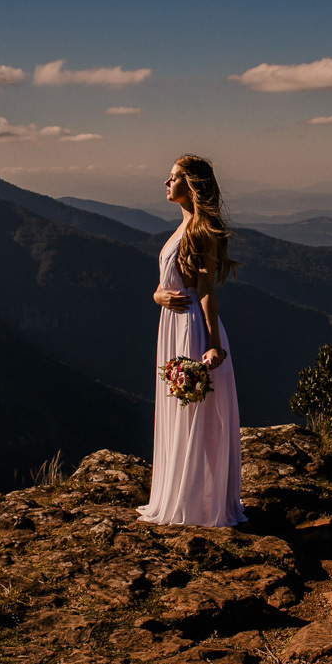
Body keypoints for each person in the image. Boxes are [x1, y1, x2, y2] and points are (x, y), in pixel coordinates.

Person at [138, 154, 247, 527]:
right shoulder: (182, 227)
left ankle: (193, 502)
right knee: (180, 410)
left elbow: (205, 289)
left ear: (192, 186)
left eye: (173, 178)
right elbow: (169, 283)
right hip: (172, 323)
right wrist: (157, 296)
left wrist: (213, 344)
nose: (166, 184)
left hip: (190, 330)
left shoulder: (199, 230)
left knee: (193, 412)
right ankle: (184, 496)